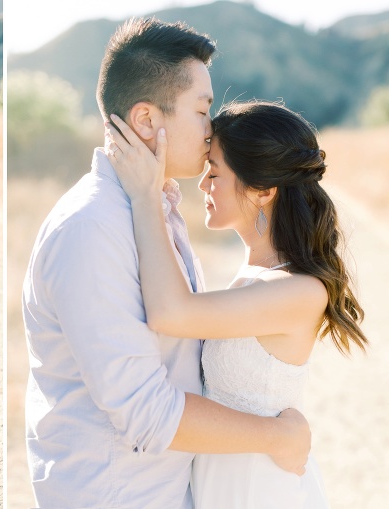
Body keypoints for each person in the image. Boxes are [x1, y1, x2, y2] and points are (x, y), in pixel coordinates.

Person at [22, 18, 312, 508]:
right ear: (145, 120)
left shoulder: (156, 209)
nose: (211, 128)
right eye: (201, 110)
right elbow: (145, 413)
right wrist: (275, 436)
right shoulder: (92, 229)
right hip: (117, 495)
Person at [105, 100, 367, 508]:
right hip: (221, 484)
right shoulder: (251, 275)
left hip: (261, 490)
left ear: (263, 190)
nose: (204, 184)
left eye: (215, 172)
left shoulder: (299, 291)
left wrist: (146, 196)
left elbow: (170, 312)